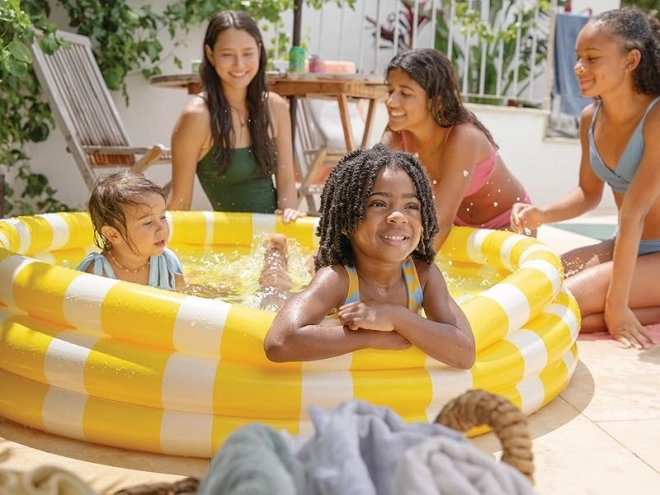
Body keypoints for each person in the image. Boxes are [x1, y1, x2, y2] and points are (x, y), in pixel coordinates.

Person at [511, 7, 660, 350]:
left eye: (592, 58)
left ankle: (624, 306)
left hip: (648, 245)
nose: (579, 67)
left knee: (562, 299)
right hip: (627, 244)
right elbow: (588, 193)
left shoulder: (656, 117)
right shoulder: (589, 118)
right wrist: (542, 214)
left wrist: (618, 306)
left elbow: (633, 214)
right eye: (578, 57)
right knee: (541, 281)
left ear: (631, 60)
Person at [264, 144, 475, 369]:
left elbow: (465, 353)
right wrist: (372, 338)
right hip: (337, 275)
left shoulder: (423, 275)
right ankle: (275, 253)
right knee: (276, 290)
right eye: (378, 203)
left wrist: (395, 317)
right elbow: (279, 342)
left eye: (411, 206)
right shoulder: (337, 279)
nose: (398, 216)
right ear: (348, 220)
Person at [382, 48, 531, 250]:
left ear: (437, 100)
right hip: (457, 226)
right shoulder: (398, 133)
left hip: (508, 224)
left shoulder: (463, 137)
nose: (391, 102)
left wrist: (403, 277)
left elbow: (439, 223)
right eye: (390, 91)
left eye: (405, 94)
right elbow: (374, 188)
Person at [169, 10, 304, 222]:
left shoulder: (275, 107)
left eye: (248, 53)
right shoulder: (197, 117)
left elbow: (287, 183)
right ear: (211, 54)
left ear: (259, 51)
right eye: (227, 54)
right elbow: (180, 204)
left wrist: (288, 215)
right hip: (228, 241)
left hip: (274, 238)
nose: (239, 64)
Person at [77, 171, 185, 291]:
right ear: (113, 235)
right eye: (148, 222)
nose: (162, 228)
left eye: (163, 217)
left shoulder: (168, 263)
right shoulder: (96, 272)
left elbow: (183, 300)